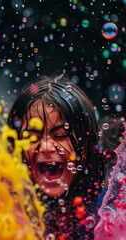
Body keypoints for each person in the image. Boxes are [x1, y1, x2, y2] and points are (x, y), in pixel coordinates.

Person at [7, 74, 105, 239]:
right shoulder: (1, 208)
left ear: (86, 145)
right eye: (32, 136)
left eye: (60, 135)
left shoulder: (109, 209)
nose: (46, 147)